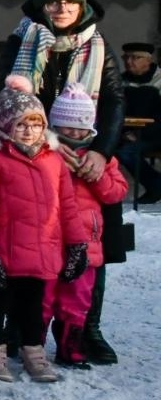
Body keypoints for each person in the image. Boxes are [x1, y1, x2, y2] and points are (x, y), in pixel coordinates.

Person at [0, 0, 124, 364]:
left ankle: (87, 329)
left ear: (82, 5)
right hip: (33, 152)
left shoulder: (99, 47)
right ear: (40, 5)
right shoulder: (18, 43)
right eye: (53, 1)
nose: (61, 7)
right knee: (26, 242)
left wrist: (102, 151)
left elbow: (116, 103)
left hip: (87, 154)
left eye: (69, 1)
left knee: (94, 246)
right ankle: (22, 326)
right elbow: (0, 96)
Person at [0, 76, 91, 384]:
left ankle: (33, 351)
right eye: (22, 124)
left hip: (43, 249)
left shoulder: (53, 160)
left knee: (33, 306)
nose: (29, 131)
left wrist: (77, 244)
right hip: (6, 249)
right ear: (7, 125)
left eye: (36, 124)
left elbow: (68, 206)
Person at [46, 82, 127, 369]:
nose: (75, 134)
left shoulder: (101, 159)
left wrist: (97, 175)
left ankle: (71, 342)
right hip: (51, 240)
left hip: (87, 243)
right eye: (67, 128)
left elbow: (116, 192)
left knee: (78, 297)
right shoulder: (46, 154)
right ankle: (33, 342)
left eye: (81, 127)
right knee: (45, 295)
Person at [117, 41, 161, 203]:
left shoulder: (159, 81)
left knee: (127, 151)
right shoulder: (120, 82)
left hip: (155, 134)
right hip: (130, 134)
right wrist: (125, 133)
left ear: (148, 60)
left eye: (135, 58)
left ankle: (156, 185)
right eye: (126, 57)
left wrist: (140, 134)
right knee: (109, 147)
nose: (129, 62)